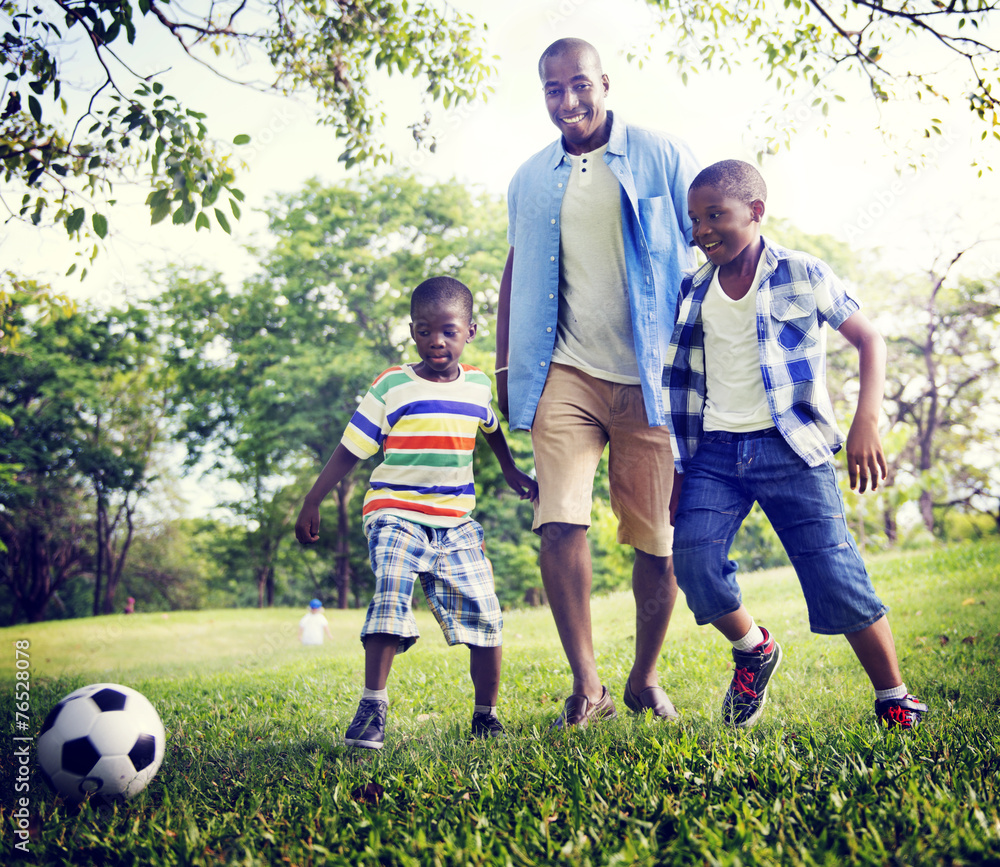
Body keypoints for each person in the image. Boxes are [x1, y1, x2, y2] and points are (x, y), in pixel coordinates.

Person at [664, 159, 928, 729]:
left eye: (716, 215)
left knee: (834, 572)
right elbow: (683, 383)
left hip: (793, 448)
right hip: (714, 454)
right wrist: (682, 469)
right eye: (695, 219)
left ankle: (894, 697)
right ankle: (755, 647)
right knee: (694, 563)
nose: (703, 229)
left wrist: (867, 422)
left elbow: (869, 338)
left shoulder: (803, 272)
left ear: (755, 213)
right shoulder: (694, 287)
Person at [495, 37, 701, 728]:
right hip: (566, 371)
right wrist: (504, 369)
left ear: (605, 83)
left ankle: (642, 678)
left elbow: (712, 247)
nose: (568, 100)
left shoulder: (662, 155)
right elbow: (515, 272)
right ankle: (588, 686)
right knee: (558, 521)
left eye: (579, 84)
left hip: (652, 375)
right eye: (553, 89)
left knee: (658, 542)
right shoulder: (529, 178)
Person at [295, 276, 538, 749]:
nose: (437, 341)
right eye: (425, 331)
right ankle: (373, 707)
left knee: (487, 618)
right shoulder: (393, 384)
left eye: (448, 330)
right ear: (412, 331)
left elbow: (489, 428)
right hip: (394, 510)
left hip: (456, 520)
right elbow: (351, 447)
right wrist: (313, 498)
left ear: (470, 330)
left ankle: (485, 716)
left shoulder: (478, 386)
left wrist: (509, 469)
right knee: (391, 591)